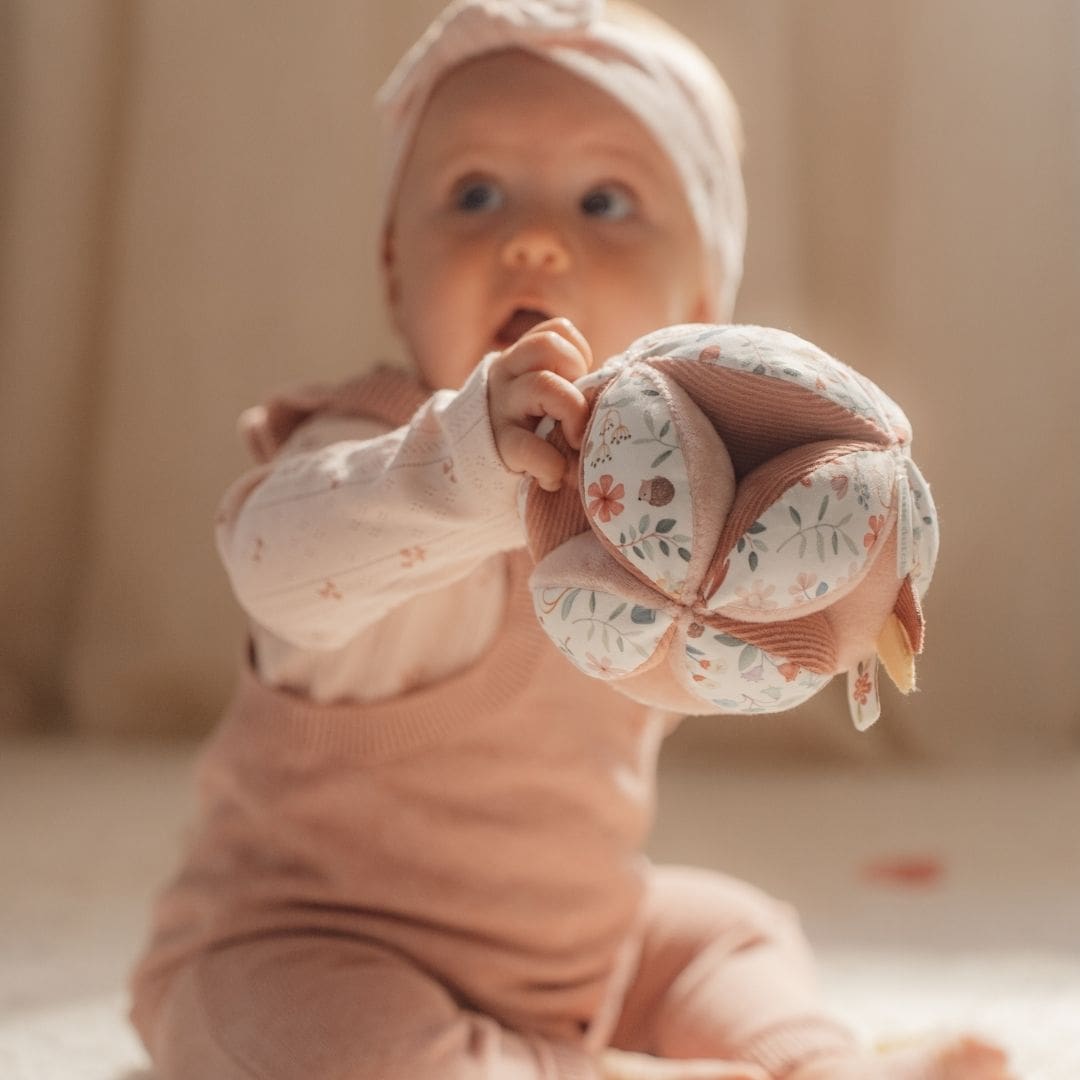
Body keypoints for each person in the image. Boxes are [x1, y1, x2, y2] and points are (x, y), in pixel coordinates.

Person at [129, 2, 1012, 1078]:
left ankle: (806, 1057)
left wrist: (840, 580)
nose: (533, 238)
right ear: (394, 267)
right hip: (302, 949)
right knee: (330, 1049)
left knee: (726, 929)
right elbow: (272, 564)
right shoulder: (379, 447)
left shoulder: (690, 515)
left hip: (577, 951)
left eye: (606, 201)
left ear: (699, 306)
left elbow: (762, 623)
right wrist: (462, 464)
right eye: (476, 193)